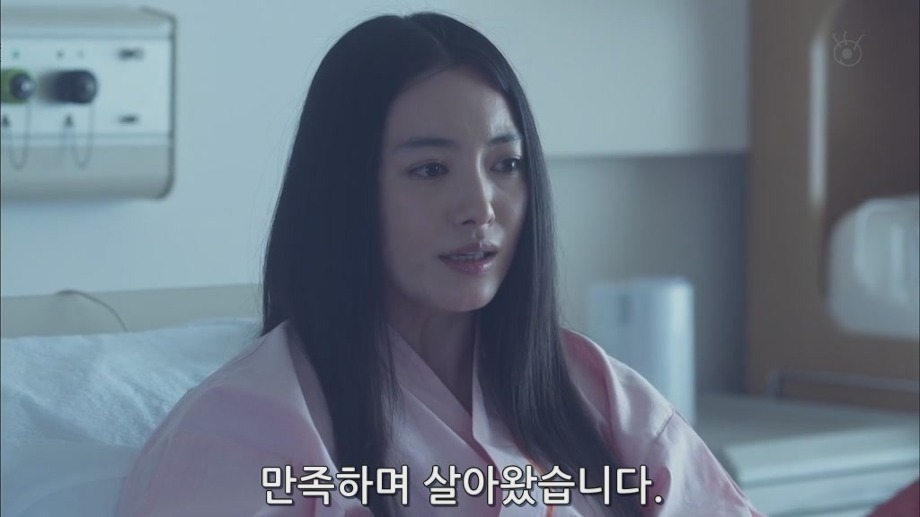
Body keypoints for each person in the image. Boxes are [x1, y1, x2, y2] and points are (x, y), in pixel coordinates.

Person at [117, 12, 764, 517]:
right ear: (344, 192)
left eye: (505, 165)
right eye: (430, 170)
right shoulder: (245, 432)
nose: (479, 208)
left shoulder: (596, 395)